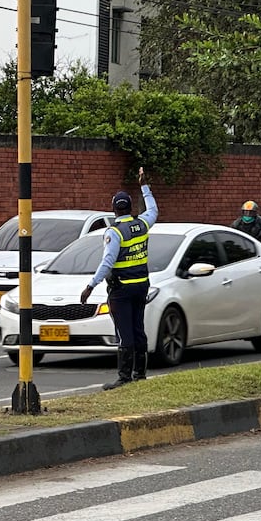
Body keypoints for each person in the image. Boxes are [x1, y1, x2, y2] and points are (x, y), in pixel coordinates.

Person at [79, 167, 158, 390]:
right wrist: (144, 186)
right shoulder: (142, 224)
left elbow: (107, 262)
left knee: (124, 333)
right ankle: (139, 374)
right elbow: (153, 209)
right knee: (138, 328)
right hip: (141, 286)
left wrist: (90, 286)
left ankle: (124, 378)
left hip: (121, 289)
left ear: (114, 209)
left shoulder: (114, 232)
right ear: (130, 207)